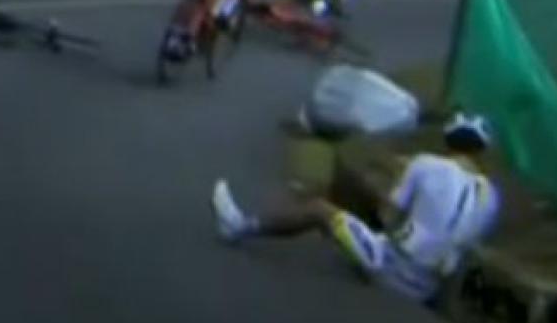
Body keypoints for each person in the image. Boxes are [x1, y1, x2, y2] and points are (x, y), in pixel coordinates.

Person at [210, 112, 500, 306]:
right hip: (430, 288)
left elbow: (389, 218)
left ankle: (239, 226)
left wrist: (380, 193)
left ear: (448, 140)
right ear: (481, 151)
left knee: (319, 210)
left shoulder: (426, 164)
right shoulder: (491, 197)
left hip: (391, 265)